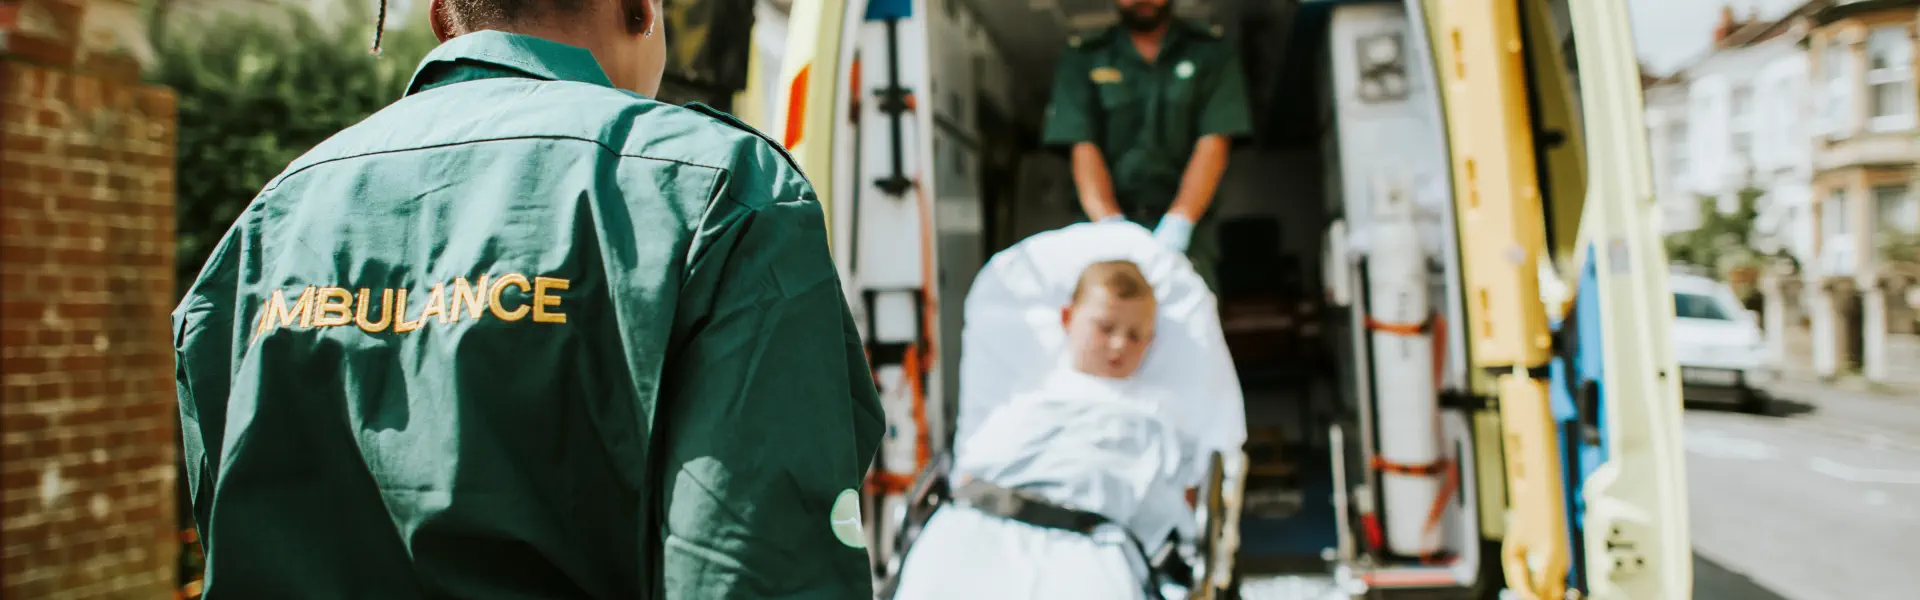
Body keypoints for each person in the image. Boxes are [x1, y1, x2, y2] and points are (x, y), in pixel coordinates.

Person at [167, 0, 884, 597]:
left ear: (444, 16)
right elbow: (755, 571)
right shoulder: (725, 192)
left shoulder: (268, 224)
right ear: (639, 6)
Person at [888, 260, 1203, 600]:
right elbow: (976, 466)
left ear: (1151, 341)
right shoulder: (1029, 400)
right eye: (1105, 327)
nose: (1118, 345)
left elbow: (1160, 505)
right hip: (982, 521)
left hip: (1090, 537)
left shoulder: (1154, 412)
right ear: (1067, 318)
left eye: (1134, 335)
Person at [1040, 0, 1254, 290]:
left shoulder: (1211, 51)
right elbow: (1082, 145)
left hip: (1189, 233)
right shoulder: (1083, 56)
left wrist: (1179, 224)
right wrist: (1111, 228)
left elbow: (1214, 142)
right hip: (1103, 230)